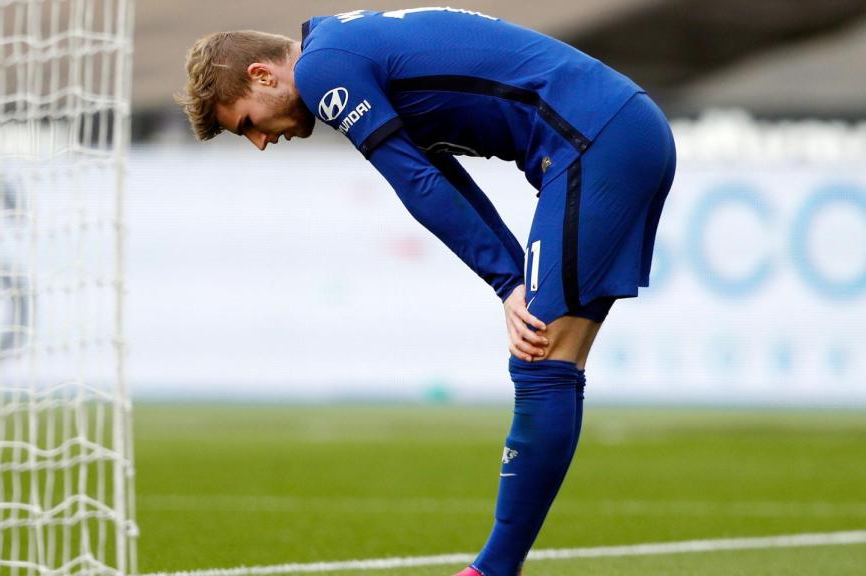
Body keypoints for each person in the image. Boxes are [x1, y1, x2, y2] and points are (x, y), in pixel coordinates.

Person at [179, 7, 675, 576]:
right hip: (616, 128)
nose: (261, 142)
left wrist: (509, 281)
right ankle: (497, 566)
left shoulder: (322, 70)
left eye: (246, 124)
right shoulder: (346, 47)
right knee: (554, 357)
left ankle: (492, 569)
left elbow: (415, 183)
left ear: (263, 76)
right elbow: (440, 176)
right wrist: (509, 278)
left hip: (592, 139)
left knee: (541, 357)